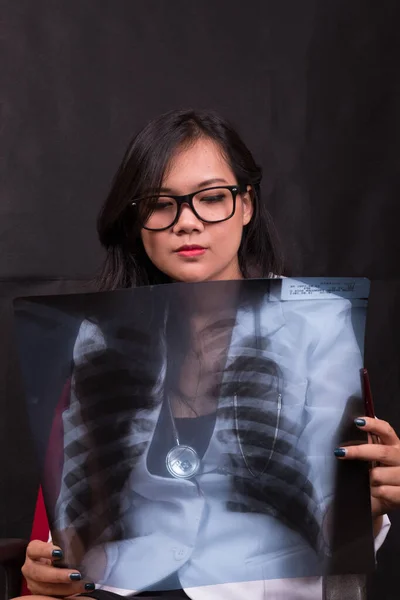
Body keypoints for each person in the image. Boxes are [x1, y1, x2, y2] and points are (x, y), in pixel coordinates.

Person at [18, 109, 400, 600]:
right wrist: (49, 564)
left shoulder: (318, 321)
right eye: (160, 204)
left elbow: (332, 524)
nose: (187, 223)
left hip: (255, 589)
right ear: (136, 220)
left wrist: (368, 500)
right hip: (121, 586)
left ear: (246, 206)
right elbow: (83, 519)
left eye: (212, 198)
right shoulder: (102, 332)